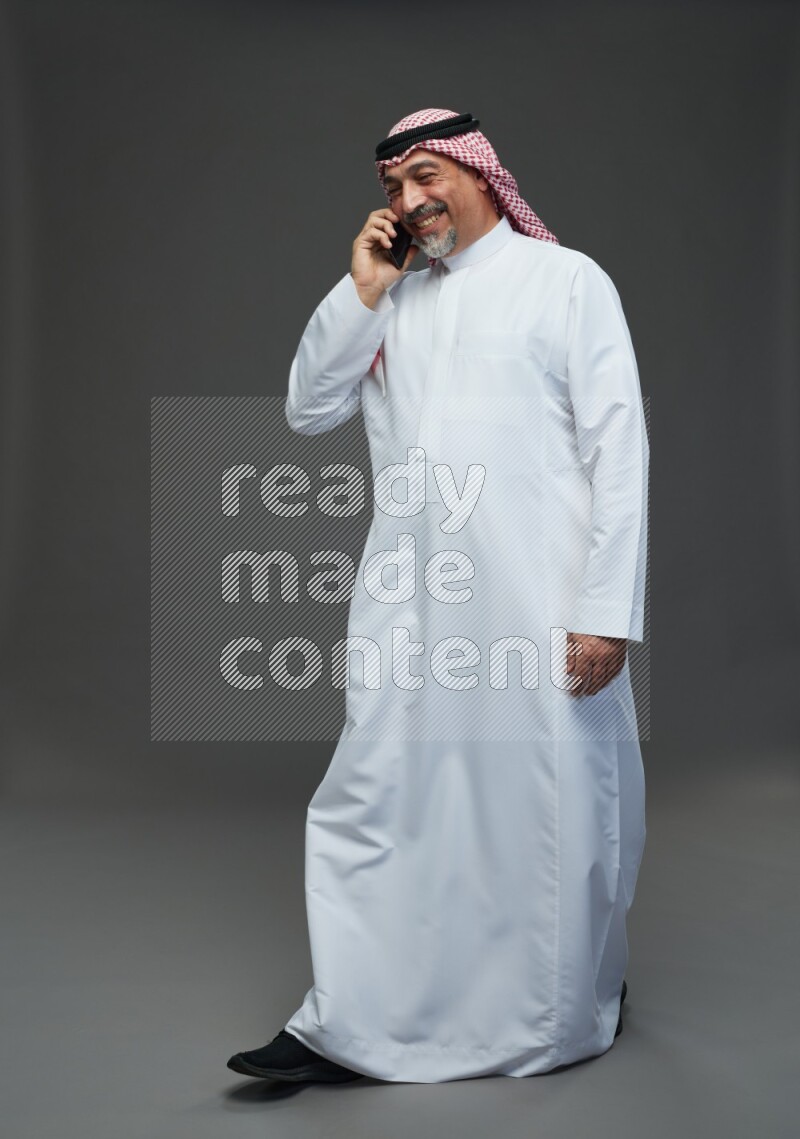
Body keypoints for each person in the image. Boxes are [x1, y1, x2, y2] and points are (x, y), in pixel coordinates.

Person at [227, 108, 648, 1085]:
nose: (410, 201)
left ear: (477, 173)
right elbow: (307, 407)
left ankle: (562, 1005)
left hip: (537, 609)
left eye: (424, 176)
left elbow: (615, 452)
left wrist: (605, 612)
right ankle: (348, 1019)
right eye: (391, 188)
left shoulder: (565, 281)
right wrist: (362, 289)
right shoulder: (391, 304)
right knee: (379, 800)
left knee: (542, 812)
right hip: (411, 610)